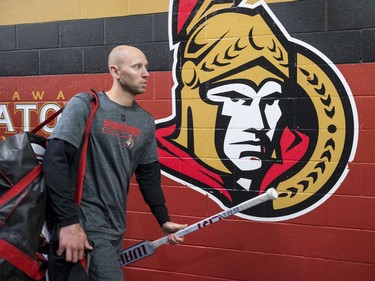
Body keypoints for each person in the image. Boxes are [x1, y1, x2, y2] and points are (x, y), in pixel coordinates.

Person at [42, 45, 187, 281]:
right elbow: (54, 161)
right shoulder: (85, 105)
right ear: (116, 71)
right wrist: (69, 223)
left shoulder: (145, 122)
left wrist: (164, 219)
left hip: (114, 227)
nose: (146, 73)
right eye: (137, 67)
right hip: (82, 226)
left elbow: (148, 176)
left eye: (146, 67)